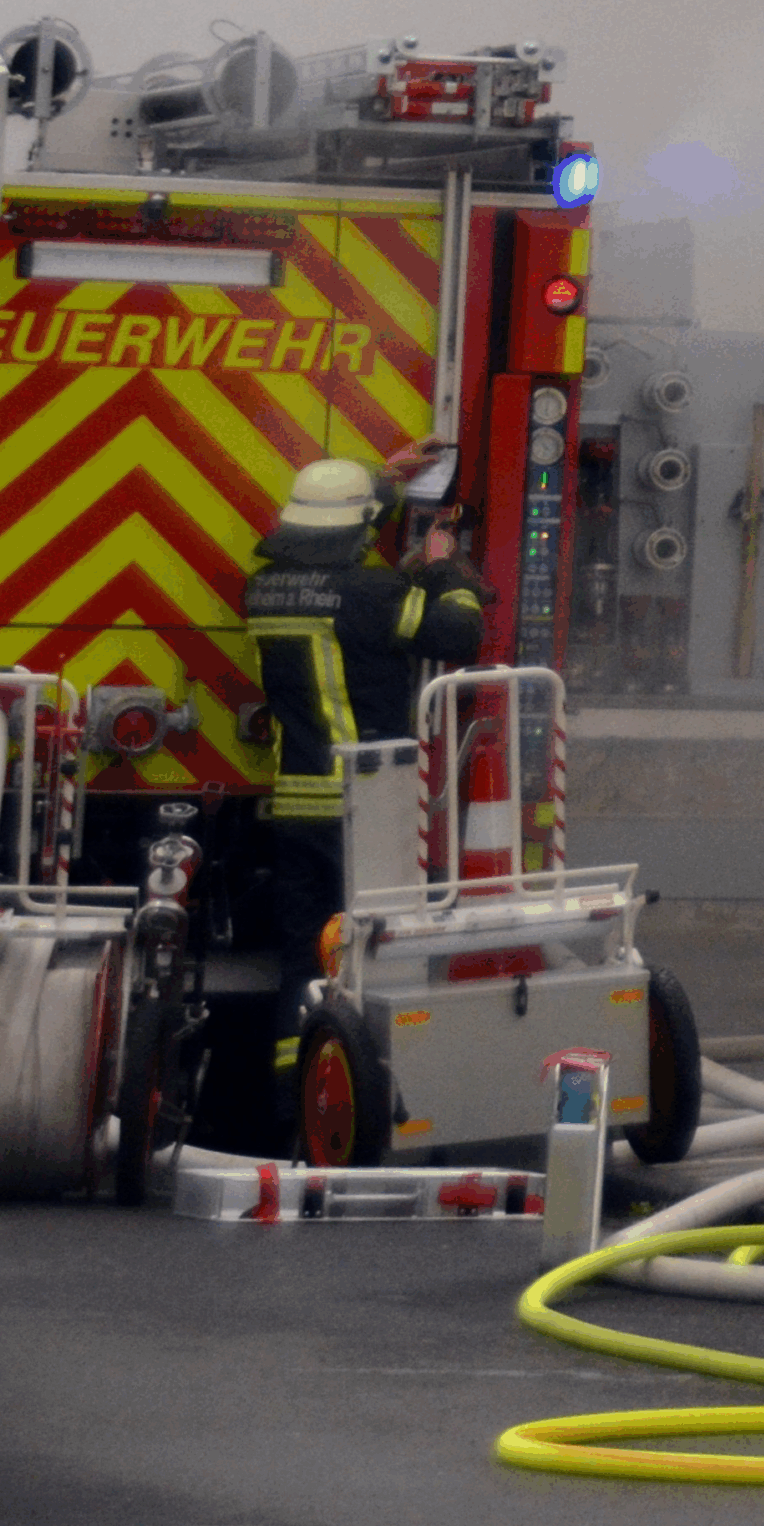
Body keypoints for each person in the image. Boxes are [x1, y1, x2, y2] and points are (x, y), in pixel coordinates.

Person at [245, 449, 486, 1134]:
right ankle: (389, 1107)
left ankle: (297, 1115)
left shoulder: (261, 589)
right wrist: (443, 568)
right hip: (369, 807)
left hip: (297, 805)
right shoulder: (376, 594)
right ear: (355, 532)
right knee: (381, 958)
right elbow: (458, 631)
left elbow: (339, 576)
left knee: (304, 962)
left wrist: (386, 481)